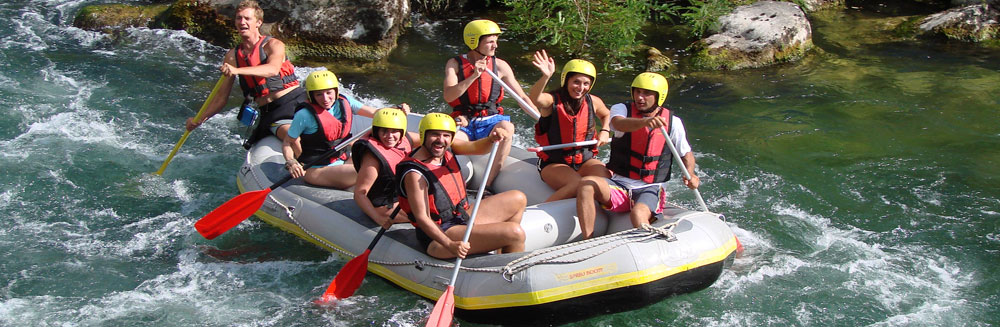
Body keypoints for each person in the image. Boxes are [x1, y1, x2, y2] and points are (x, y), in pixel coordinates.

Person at [576, 72, 700, 239]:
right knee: (586, 184)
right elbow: (617, 123)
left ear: (658, 97)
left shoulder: (673, 122)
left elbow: (685, 154)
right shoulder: (621, 109)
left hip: (650, 187)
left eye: (647, 93)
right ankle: (588, 240)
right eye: (637, 92)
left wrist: (690, 174)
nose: (640, 97)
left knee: (638, 215)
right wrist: (645, 122)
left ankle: (651, 247)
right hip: (619, 184)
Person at [396, 113, 526, 259]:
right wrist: (450, 244)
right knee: (515, 233)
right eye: (435, 135)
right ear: (423, 135)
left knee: (518, 198)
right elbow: (422, 218)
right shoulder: (415, 174)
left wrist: (491, 139)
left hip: (459, 217)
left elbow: (476, 147)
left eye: (446, 135)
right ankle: (509, 258)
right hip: (439, 236)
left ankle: (501, 256)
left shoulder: (447, 149)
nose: (441, 140)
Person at [185, 0, 305, 148]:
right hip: (271, 111)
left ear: (258, 22)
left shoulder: (273, 45)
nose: (242, 22)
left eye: (247, 18)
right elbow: (221, 98)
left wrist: (237, 71)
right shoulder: (232, 57)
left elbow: (272, 69)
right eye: (239, 18)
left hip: (295, 101)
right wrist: (199, 119)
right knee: (293, 138)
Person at [442, 19, 537, 188]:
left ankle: (487, 184)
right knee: (449, 140)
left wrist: (541, 118)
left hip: (490, 120)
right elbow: (449, 96)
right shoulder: (454, 64)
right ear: (475, 42)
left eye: (496, 41)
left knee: (507, 127)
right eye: (490, 42)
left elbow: (521, 97)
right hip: (464, 120)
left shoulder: (500, 66)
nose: (495, 46)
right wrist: (473, 76)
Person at [282, 70, 407, 189]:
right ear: (311, 95)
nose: (325, 99)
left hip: (343, 159)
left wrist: (397, 109)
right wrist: (291, 162)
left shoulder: (345, 101)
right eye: (319, 94)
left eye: (328, 93)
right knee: (372, 170)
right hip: (317, 169)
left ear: (336, 91)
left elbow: (375, 113)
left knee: (378, 155)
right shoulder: (304, 115)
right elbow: (288, 142)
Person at [528, 52, 612, 202]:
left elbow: (607, 115)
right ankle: (541, 210)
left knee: (607, 178)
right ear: (566, 80)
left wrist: (605, 130)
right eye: (576, 82)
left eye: (586, 84)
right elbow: (535, 98)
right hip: (554, 162)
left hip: (584, 160)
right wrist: (545, 77)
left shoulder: (593, 101)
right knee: (576, 185)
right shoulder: (551, 101)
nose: (580, 88)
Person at [352, 108, 419, 227]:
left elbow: (429, 141)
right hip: (383, 207)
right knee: (428, 215)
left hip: (400, 197)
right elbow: (359, 194)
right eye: (384, 131)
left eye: (394, 131)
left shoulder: (406, 139)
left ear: (401, 132)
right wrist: (378, 218)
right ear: (376, 131)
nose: (389, 136)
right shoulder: (372, 159)